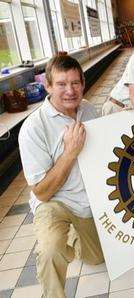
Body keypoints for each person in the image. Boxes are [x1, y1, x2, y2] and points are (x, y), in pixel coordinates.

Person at [18, 55, 104, 297]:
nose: (70, 91)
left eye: (75, 83)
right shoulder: (33, 128)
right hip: (54, 203)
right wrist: (70, 153)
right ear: (48, 86)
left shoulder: (88, 110)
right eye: (61, 84)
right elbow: (42, 191)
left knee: (96, 258)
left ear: (83, 83)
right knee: (50, 250)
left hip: (85, 201)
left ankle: (74, 235)